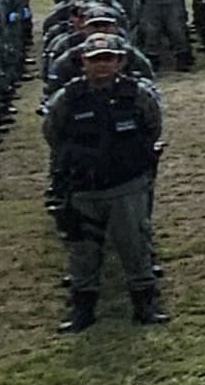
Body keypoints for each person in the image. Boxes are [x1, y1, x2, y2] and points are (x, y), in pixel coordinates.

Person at [44, 32, 169, 331]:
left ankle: (145, 306)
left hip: (125, 186)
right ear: (83, 63)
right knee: (83, 251)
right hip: (83, 188)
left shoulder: (137, 94)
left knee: (134, 246)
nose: (102, 65)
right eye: (95, 60)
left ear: (121, 62)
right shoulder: (68, 98)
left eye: (108, 59)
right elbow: (53, 134)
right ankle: (82, 311)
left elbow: (152, 127)